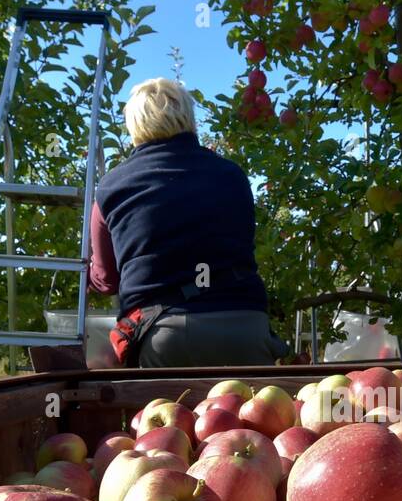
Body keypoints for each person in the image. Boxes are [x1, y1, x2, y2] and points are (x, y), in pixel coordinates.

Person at [89, 77, 289, 367]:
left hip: (165, 337)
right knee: (249, 412)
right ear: (188, 118)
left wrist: (89, 273)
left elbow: (106, 280)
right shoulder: (232, 176)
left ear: (135, 125)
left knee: (158, 411)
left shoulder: (111, 186)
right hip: (245, 327)